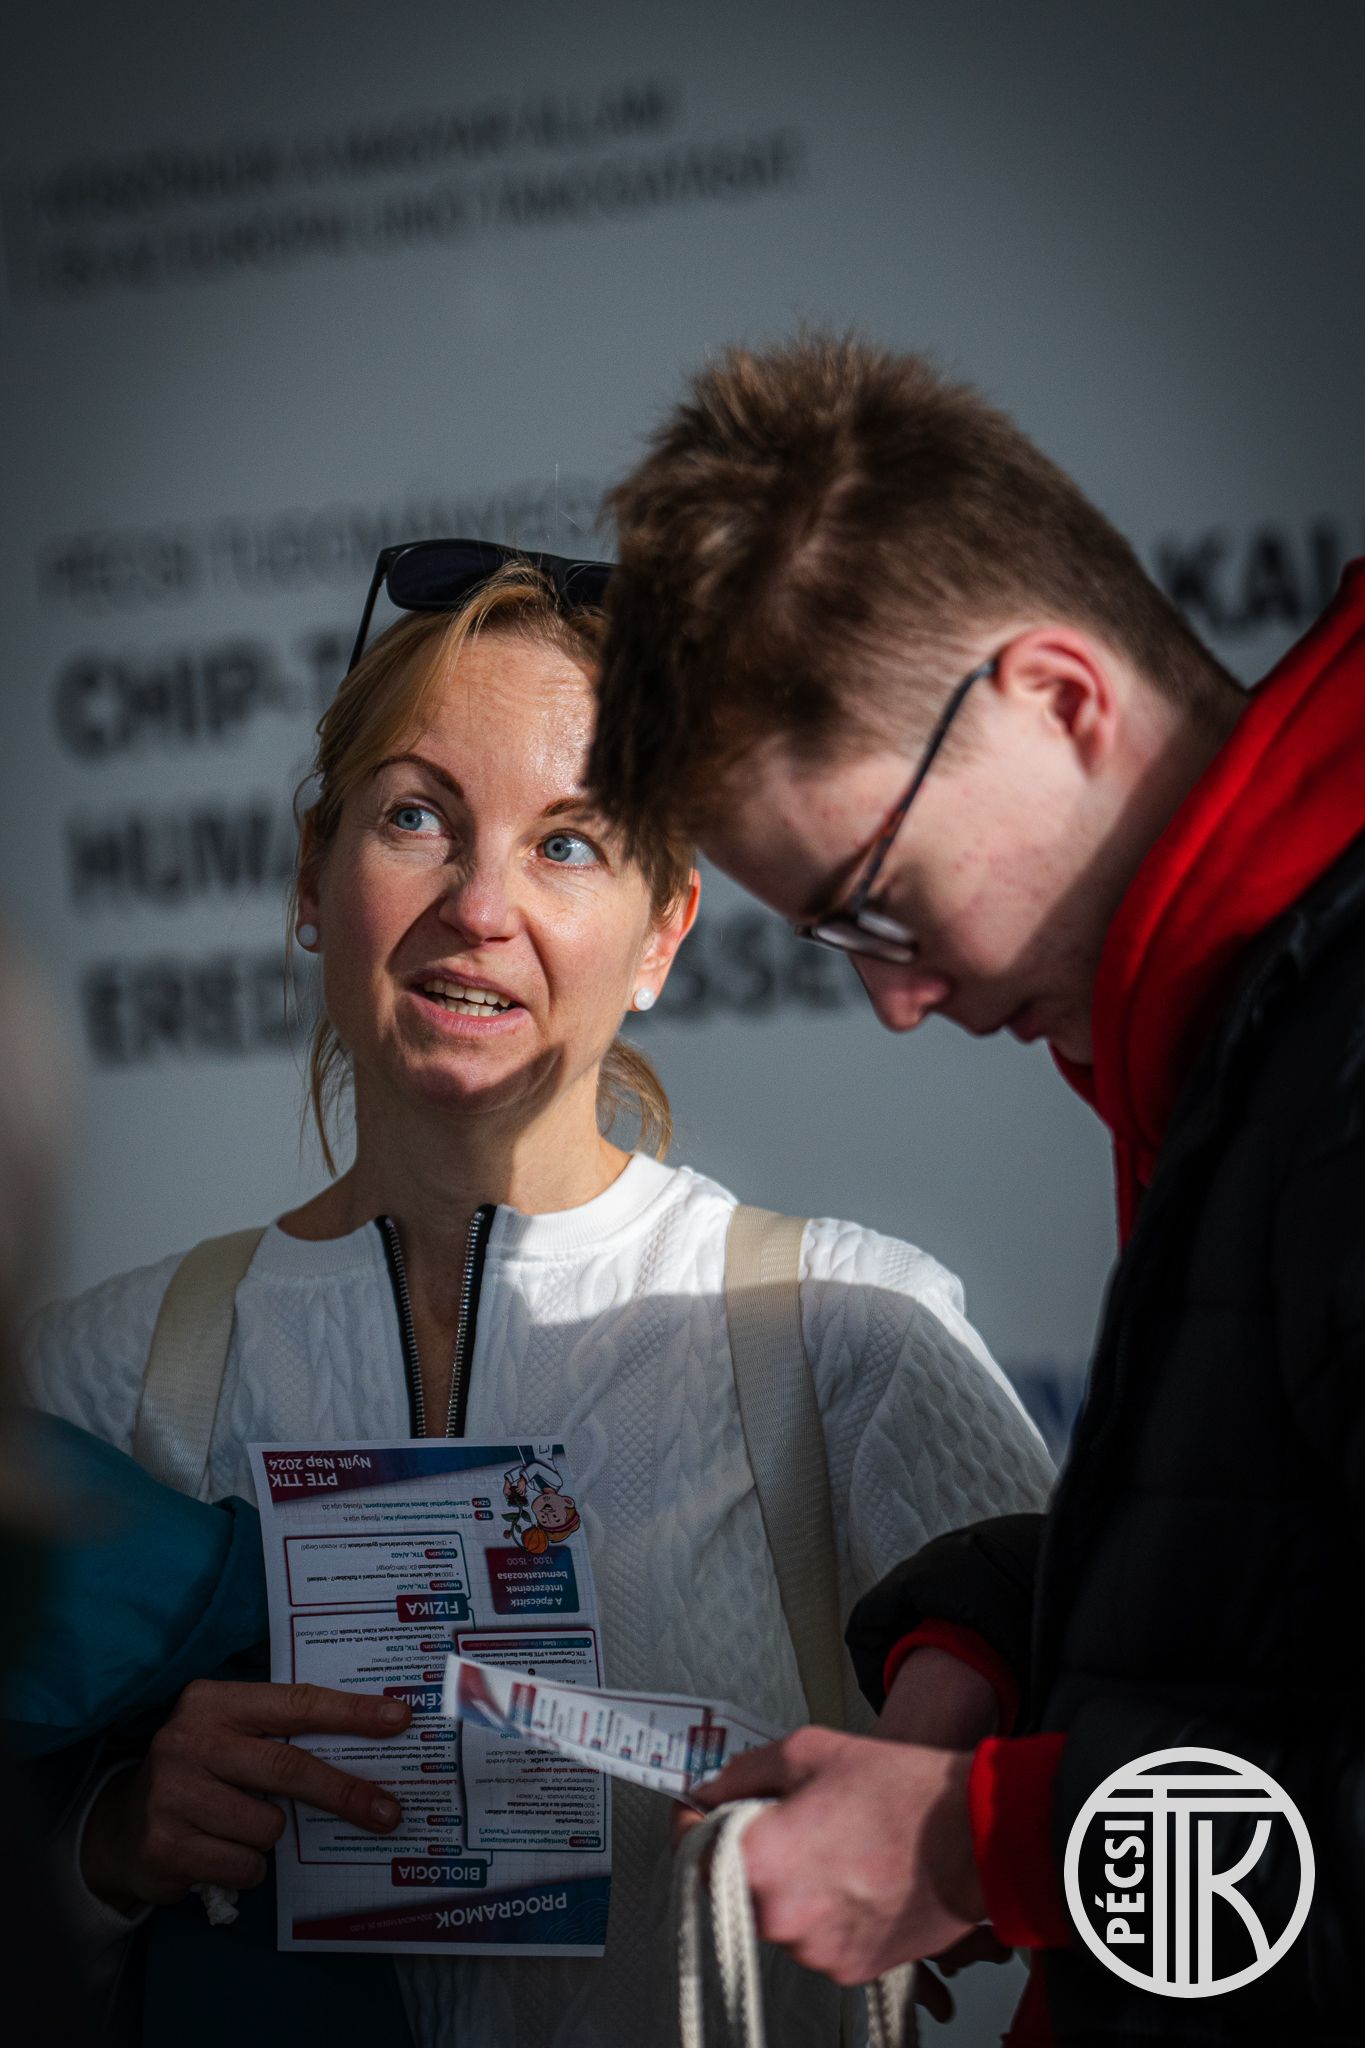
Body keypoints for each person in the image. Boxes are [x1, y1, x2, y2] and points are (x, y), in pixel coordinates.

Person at [22, 545, 1053, 2048]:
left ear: (663, 932)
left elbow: (1141, 1804)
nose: (480, 903)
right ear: (311, 876)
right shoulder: (97, 1372)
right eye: (415, 816)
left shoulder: (852, 1330)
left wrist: (947, 1846)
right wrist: (101, 1850)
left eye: (570, 842)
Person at [587, 335, 1365, 2043]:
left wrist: (988, 1843)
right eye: (835, 940)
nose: (895, 998)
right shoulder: (1252, 1039)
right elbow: (1289, 1589)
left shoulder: (1331, 1059)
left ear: (1059, 700)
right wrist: (999, 1648)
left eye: (875, 898)